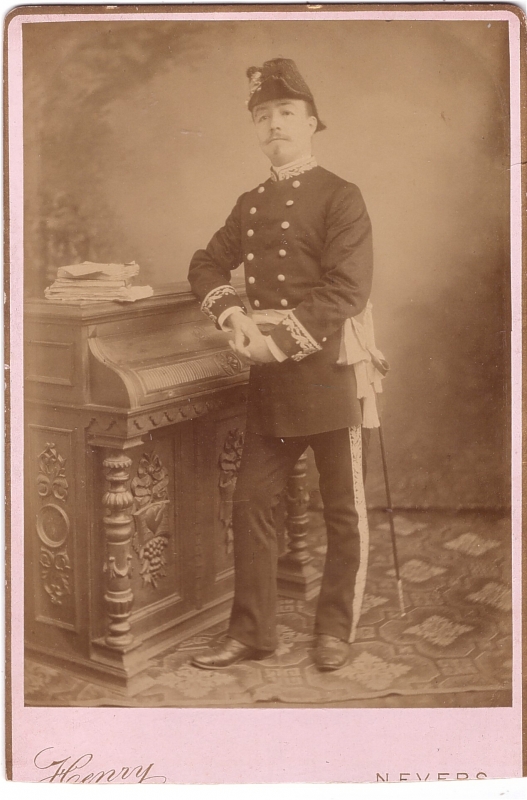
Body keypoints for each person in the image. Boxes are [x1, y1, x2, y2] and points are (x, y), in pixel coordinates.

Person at [188, 58, 383, 672]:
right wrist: (234, 318)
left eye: (287, 115)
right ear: (255, 128)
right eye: (264, 116)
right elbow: (205, 265)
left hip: (329, 373)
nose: (275, 125)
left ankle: (334, 629)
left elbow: (347, 290)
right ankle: (253, 632)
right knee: (252, 505)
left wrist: (277, 341)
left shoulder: (341, 196)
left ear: (312, 124)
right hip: (270, 382)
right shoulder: (249, 204)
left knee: (342, 509)